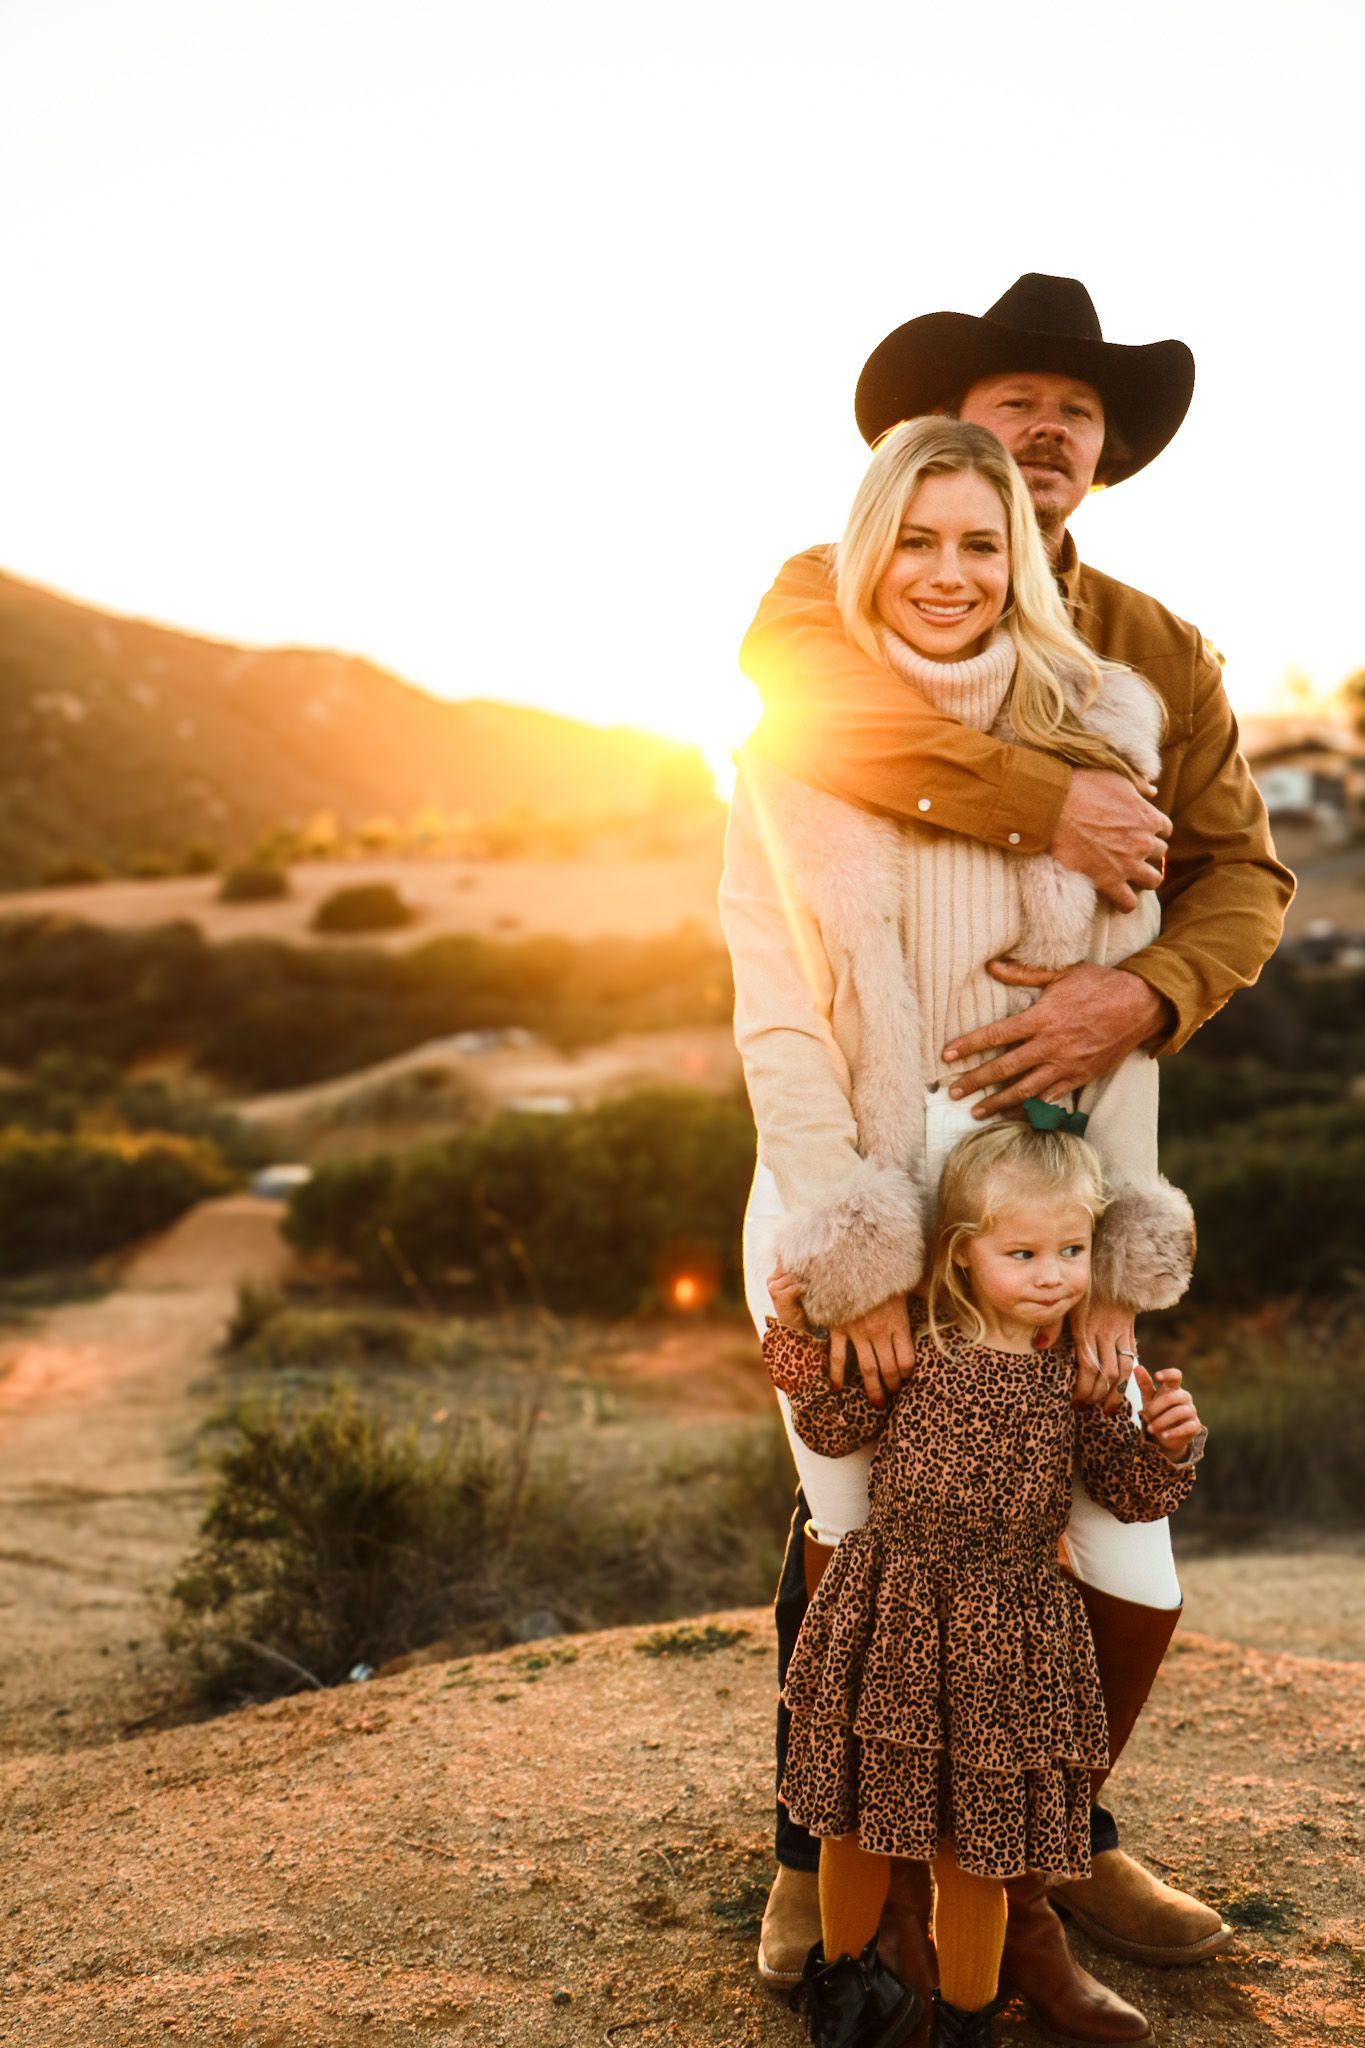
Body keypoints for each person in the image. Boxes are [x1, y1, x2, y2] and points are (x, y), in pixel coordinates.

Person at [738, 276, 1292, 2023]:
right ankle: (815, 1844)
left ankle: (1042, 1842)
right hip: (868, 1142)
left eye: (1077, 408)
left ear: (1102, 451)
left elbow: (1239, 880)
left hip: (1052, 1167)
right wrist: (1042, 795)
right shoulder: (818, 598)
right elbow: (820, 736)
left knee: (1056, 1513)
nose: (1045, 429)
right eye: (1011, 399)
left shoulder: (1158, 658)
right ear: (936, 447)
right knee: (865, 1517)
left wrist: (1139, 1002)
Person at [764, 1117, 1206, 2048]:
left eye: (1073, 1251)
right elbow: (835, 1428)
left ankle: (966, 2014)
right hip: (894, 1608)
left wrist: (1167, 1444)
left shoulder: (1074, 1380)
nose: (1054, 1274)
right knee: (856, 1812)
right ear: (963, 1256)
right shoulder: (916, 1349)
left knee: (978, 1836)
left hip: (1008, 1635)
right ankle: (851, 1986)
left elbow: (1125, 1490)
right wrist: (797, 1334)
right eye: (1024, 1252)